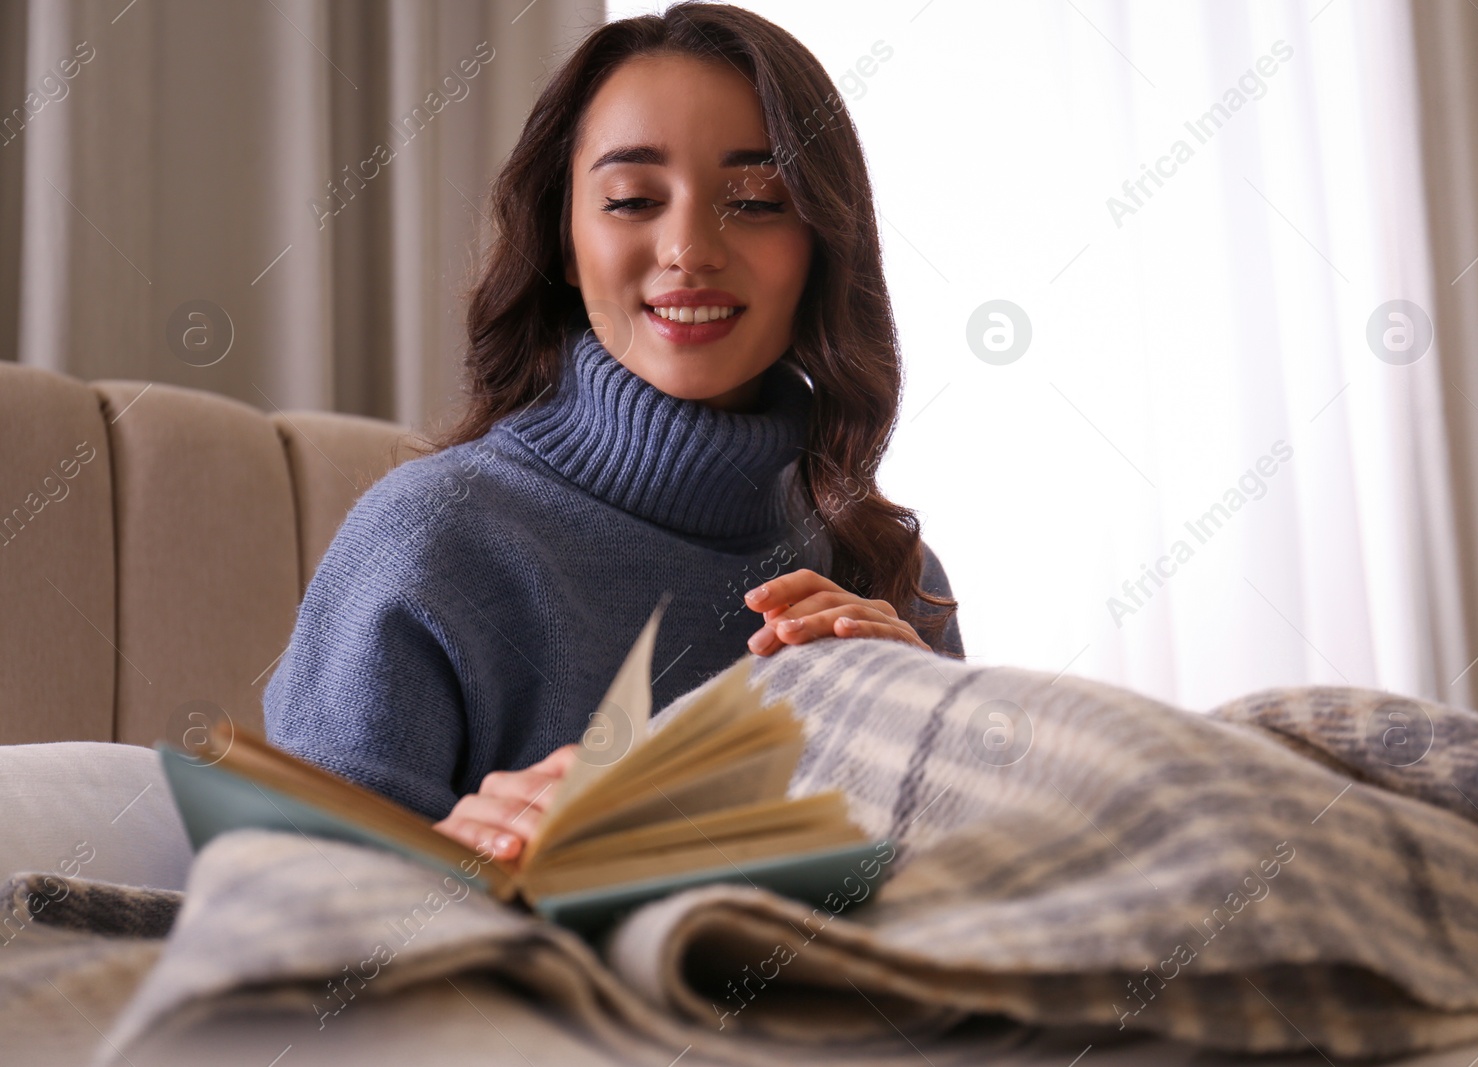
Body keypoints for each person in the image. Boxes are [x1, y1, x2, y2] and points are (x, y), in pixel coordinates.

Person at [263, 2, 963, 866]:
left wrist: (926, 723)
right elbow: (277, 916)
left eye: (754, 201)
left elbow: (993, 922)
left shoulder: (892, 577)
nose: (689, 249)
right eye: (632, 200)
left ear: (822, 241)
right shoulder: (430, 539)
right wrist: (447, 864)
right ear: (565, 237)